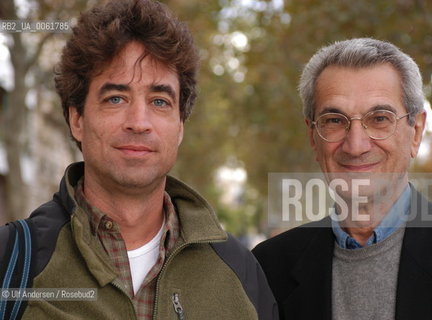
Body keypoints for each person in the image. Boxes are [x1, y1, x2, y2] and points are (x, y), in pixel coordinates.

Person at [0, 1, 278, 319]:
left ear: (180, 128)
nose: (139, 122)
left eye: (159, 101)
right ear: (76, 119)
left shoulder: (241, 273)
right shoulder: (11, 262)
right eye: (116, 98)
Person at [252, 38, 432, 320]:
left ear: (417, 131)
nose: (356, 145)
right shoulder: (267, 269)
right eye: (335, 120)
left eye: (379, 119)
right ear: (313, 137)